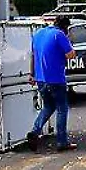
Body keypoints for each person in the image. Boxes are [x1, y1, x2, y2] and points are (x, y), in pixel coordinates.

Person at [27, 16, 76, 152]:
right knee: (62, 109)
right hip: (56, 79)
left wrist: (31, 74)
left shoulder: (38, 34)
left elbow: (33, 55)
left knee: (48, 106)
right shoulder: (59, 35)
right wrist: (69, 41)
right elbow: (71, 55)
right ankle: (62, 142)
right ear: (65, 27)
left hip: (41, 79)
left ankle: (35, 131)